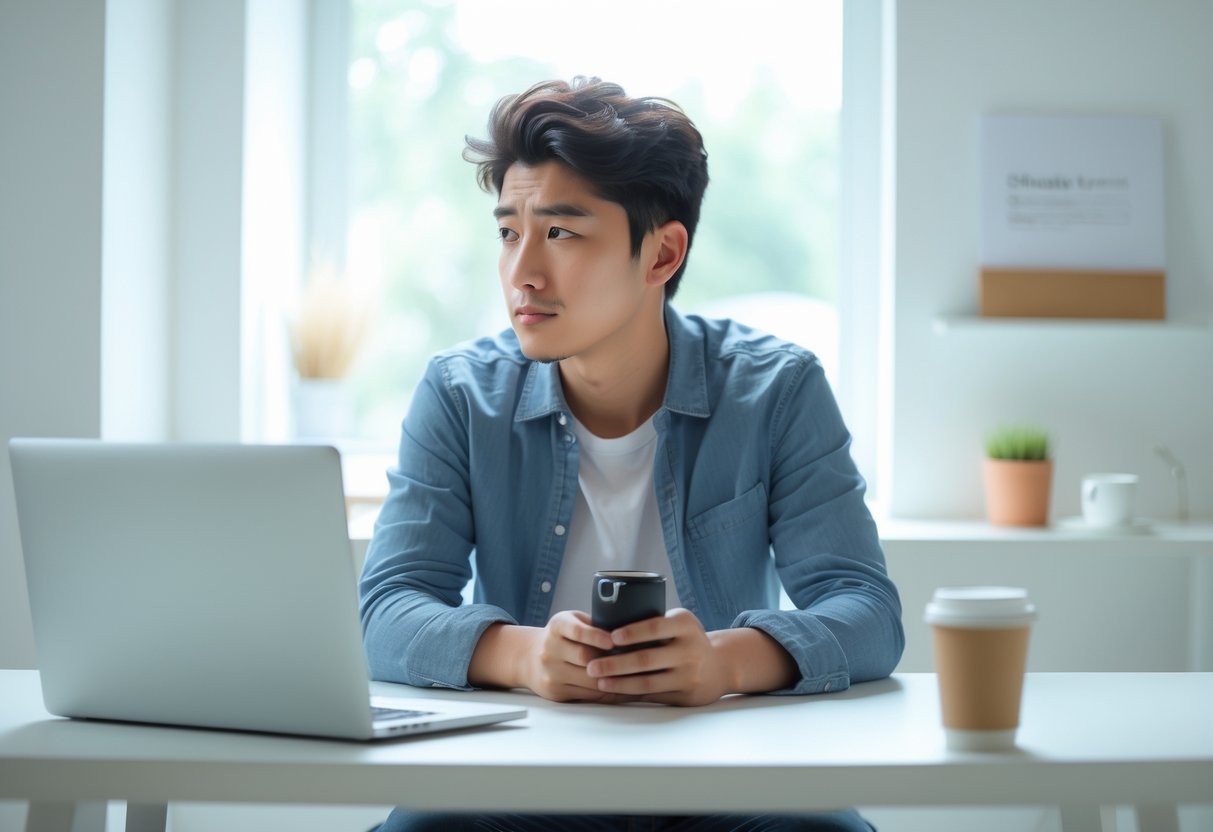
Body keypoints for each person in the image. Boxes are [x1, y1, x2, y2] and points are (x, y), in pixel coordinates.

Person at [360, 76, 904, 832]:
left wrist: (723, 663)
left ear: (661, 253)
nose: (522, 271)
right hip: (522, 778)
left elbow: (867, 612)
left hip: (723, 774)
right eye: (508, 231)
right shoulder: (460, 395)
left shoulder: (776, 389)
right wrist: (525, 659)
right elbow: (385, 612)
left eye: (560, 233)